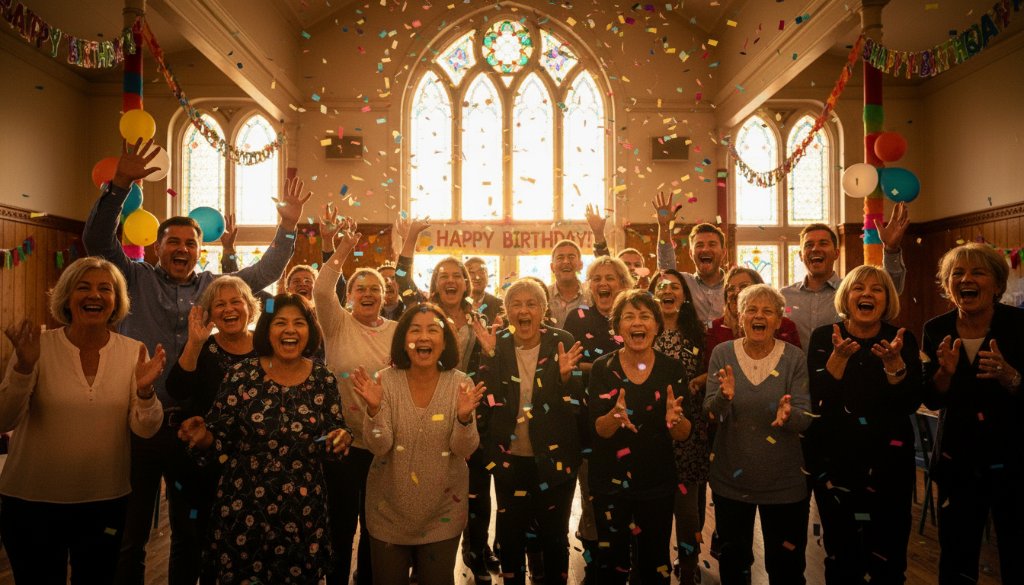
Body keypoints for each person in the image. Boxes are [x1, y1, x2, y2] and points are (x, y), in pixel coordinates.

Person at [83, 139, 308, 585]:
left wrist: (288, 227)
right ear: (157, 245)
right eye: (174, 241)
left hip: (195, 429)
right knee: (130, 538)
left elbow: (263, 274)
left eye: (191, 242)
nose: (182, 248)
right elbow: (95, 240)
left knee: (191, 534)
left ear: (200, 248)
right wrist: (120, 185)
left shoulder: (215, 286)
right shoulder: (131, 277)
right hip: (138, 425)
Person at [0, 257, 165, 584]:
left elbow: (145, 428)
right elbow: (4, 417)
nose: (95, 295)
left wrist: (145, 392)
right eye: (84, 287)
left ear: (116, 301)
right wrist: (23, 368)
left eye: (106, 289)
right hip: (32, 502)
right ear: (66, 297)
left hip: (106, 501)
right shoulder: (38, 348)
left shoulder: (133, 351)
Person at [177, 293, 352, 584]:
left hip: (303, 511)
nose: (290, 330)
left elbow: (332, 441)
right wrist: (203, 436)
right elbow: (218, 440)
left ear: (309, 332)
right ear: (267, 330)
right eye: (280, 322)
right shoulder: (240, 376)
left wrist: (340, 438)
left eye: (299, 323)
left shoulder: (324, 379)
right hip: (244, 509)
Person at [805, 265, 923, 584]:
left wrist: (895, 366)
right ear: (847, 296)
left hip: (890, 466)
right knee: (843, 559)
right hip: (836, 465)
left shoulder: (901, 339)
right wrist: (838, 359)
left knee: (889, 557)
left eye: (877, 289)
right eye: (859, 288)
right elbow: (818, 405)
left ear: (887, 301)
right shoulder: (824, 337)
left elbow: (909, 402)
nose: (867, 294)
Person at [352, 304, 485, 585]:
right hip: (388, 512)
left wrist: (463, 418)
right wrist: (374, 411)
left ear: (445, 341)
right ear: (404, 340)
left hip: (443, 513)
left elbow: (465, 449)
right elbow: (379, 446)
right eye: (415, 330)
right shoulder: (385, 381)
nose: (424, 337)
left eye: (432, 330)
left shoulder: (461, 384)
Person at [921, 243, 1023, 585]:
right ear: (948, 286)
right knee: (956, 559)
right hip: (957, 461)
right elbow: (932, 400)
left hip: (1014, 460)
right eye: (957, 273)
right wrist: (944, 374)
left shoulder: (1019, 325)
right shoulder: (936, 329)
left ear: (996, 284)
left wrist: (1011, 376)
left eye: (977, 272)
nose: (966, 279)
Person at [474, 279, 585, 585]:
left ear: (543, 309)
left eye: (531, 304)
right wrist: (490, 357)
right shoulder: (497, 343)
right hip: (510, 459)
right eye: (516, 304)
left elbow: (575, 403)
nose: (523, 310)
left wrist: (565, 379)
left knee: (554, 535)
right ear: (506, 310)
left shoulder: (561, 340)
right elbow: (489, 400)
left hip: (555, 460)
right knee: (510, 536)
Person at [704, 284, 812, 585]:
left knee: (787, 567)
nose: (758, 316)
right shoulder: (722, 353)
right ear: (740, 318)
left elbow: (805, 418)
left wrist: (790, 416)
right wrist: (724, 399)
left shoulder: (794, 358)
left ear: (779, 320)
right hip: (730, 481)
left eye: (767, 311)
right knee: (734, 564)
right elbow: (710, 413)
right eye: (751, 309)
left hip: (784, 483)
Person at [588, 290, 692, 584]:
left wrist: (676, 420)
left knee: (654, 566)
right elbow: (599, 429)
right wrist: (614, 417)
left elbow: (685, 434)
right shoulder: (602, 368)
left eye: (645, 316)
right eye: (629, 317)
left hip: (656, 484)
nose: (638, 323)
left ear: (657, 326)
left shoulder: (672, 369)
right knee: (611, 566)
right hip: (610, 484)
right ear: (618, 328)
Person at [315, 220, 398, 585]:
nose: (367, 293)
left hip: (384, 443)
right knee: (341, 524)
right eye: (360, 288)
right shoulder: (337, 324)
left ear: (385, 296)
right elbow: (320, 288)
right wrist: (343, 250)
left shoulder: (397, 333)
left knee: (376, 526)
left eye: (374, 289)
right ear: (349, 295)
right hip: (343, 441)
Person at [164, 276, 260, 584]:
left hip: (251, 466)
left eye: (236, 302)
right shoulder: (200, 345)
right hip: (201, 465)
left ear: (250, 308)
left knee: (241, 545)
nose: (229, 309)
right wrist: (194, 343)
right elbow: (177, 389)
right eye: (220, 304)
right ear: (210, 313)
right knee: (190, 542)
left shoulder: (266, 347)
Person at [561, 256, 631, 580]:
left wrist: (595, 368)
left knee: (624, 502)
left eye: (611, 278)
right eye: (597, 278)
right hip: (586, 427)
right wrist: (608, 368)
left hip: (629, 430)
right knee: (591, 503)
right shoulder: (576, 319)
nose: (604, 284)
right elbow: (570, 369)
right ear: (589, 285)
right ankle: (593, 565)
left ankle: (622, 563)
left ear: (623, 283)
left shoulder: (632, 317)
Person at [648, 269, 708, 584]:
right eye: (661, 287)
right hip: (649, 434)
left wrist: (703, 379)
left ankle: (688, 564)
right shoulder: (643, 330)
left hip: (689, 430)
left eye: (675, 287)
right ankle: (654, 565)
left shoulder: (699, 333)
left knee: (687, 511)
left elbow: (718, 369)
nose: (668, 291)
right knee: (653, 508)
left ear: (684, 295)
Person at [781, 208, 908, 350]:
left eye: (823, 243)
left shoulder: (852, 293)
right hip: (796, 372)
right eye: (808, 245)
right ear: (801, 255)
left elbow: (890, 289)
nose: (815, 249)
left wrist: (891, 249)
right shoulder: (784, 296)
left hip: (842, 370)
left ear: (836, 253)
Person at [652, 192, 728, 327]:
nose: (705, 249)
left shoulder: (732, 287)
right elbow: (666, 269)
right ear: (691, 253)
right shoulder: (683, 283)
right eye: (699, 245)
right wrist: (664, 227)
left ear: (723, 253)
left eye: (712, 244)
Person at [585, 203, 651, 289]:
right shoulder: (610, 293)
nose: (632, 268)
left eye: (637, 265)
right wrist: (598, 234)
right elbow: (605, 263)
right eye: (626, 264)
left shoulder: (650, 294)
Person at [548, 239, 589, 328]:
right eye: (560, 258)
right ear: (552, 267)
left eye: (571, 257)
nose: (566, 261)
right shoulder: (544, 296)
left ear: (580, 265)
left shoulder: (591, 296)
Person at [466, 256, 504, 324]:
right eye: (471, 273)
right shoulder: (457, 305)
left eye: (481, 272)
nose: (477, 277)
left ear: (487, 276)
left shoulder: (499, 305)